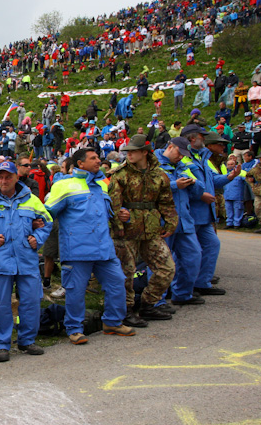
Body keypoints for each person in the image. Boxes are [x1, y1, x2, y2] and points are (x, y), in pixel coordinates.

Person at [45, 149, 136, 345]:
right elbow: (47, 212)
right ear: (80, 164)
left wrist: (121, 215)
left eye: (98, 157)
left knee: (117, 282)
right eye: (93, 158)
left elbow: (108, 213)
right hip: (77, 250)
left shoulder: (102, 185)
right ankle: (74, 329)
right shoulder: (64, 185)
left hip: (104, 249)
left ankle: (112, 321)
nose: (98, 161)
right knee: (76, 292)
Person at [0, 161, 53, 360]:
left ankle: (27, 341)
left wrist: (38, 239)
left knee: (31, 302)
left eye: (8, 176)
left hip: (27, 259)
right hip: (1, 261)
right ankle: (2, 345)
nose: (4, 180)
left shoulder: (31, 199)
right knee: (2, 304)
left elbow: (47, 221)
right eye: (0, 177)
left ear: (17, 177)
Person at [109, 136, 178, 328]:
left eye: (134, 151)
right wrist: (119, 227)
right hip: (127, 231)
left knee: (167, 268)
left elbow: (166, 201)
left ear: (145, 152)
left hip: (151, 230)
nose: (129, 154)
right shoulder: (119, 175)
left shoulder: (159, 175)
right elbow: (113, 205)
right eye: (128, 151)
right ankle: (126, 310)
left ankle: (148, 303)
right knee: (126, 273)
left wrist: (171, 222)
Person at [181, 125, 240, 297]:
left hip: (204, 214)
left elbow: (212, 179)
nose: (204, 139)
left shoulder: (201, 157)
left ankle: (201, 282)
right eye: (202, 136)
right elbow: (183, 182)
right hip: (191, 212)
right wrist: (200, 196)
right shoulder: (184, 158)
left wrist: (229, 177)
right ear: (192, 138)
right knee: (186, 252)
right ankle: (181, 286)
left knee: (211, 245)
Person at [155, 138, 205, 305]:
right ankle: (157, 301)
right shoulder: (154, 164)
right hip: (163, 221)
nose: (181, 157)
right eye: (179, 153)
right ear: (170, 147)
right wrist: (175, 185)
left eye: (184, 155)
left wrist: (193, 183)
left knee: (193, 256)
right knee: (160, 262)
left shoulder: (183, 166)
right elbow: (150, 188)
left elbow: (200, 189)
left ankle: (183, 294)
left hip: (184, 220)